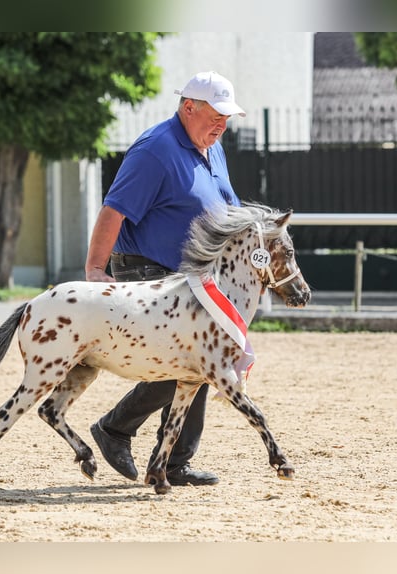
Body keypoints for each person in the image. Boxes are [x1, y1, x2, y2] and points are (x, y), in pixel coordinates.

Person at [84, 71, 246, 486]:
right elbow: (113, 211)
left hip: (192, 275)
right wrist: (95, 271)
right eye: (215, 116)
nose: (222, 125)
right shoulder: (155, 149)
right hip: (146, 268)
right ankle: (115, 428)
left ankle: (174, 462)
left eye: (226, 118)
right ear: (188, 107)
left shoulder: (212, 147)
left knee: (205, 360)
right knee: (188, 364)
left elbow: (230, 209)